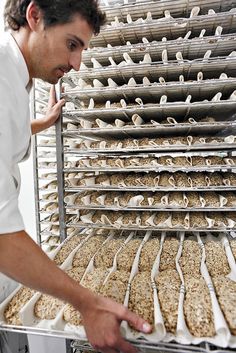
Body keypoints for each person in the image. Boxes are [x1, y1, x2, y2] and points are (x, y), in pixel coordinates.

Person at [0, 0, 152, 352]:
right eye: (72, 44)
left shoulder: (15, 77)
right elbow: (2, 235)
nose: (76, 64)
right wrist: (87, 303)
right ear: (34, 16)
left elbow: (8, 132)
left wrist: (42, 122)